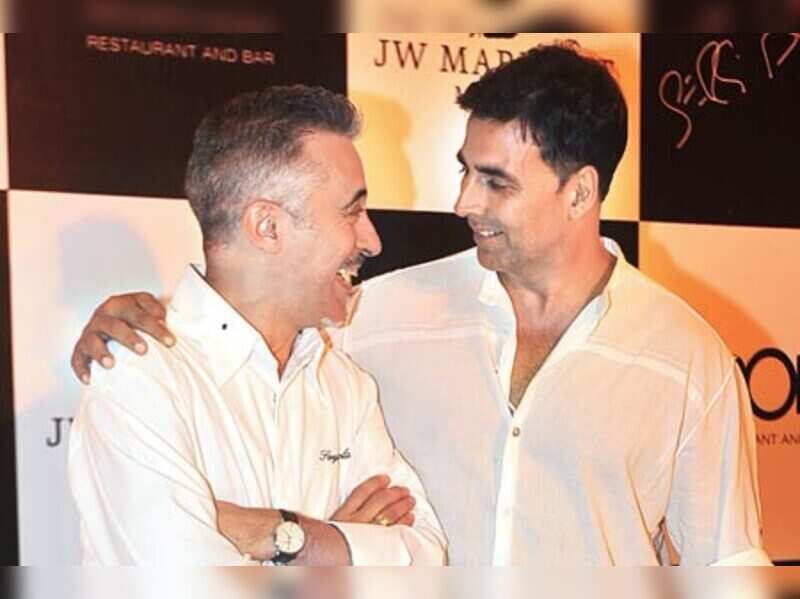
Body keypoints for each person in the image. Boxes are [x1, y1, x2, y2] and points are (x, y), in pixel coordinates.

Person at [71, 42, 769, 565]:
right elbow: (247, 307)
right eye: (465, 171)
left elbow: (728, 564)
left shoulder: (687, 357)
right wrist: (132, 329)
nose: (463, 202)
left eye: (495, 182)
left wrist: (283, 537)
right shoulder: (370, 315)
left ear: (580, 192)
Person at [67, 85, 447, 565]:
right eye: (351, 211)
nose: (372, 241)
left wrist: (283, 533)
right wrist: (333, 551)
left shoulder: (344, 384)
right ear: (267, 227)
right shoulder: (140, 375)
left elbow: (425, 558)